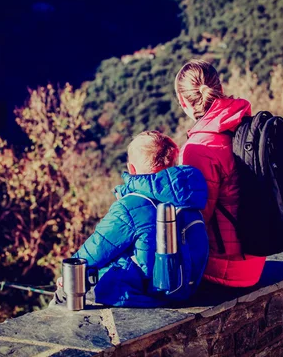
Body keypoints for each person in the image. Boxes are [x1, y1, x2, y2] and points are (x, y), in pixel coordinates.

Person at [53, 131, 208, 307]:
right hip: (183, 288)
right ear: (173, 162)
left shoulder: (130, 206)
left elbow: (98, 246)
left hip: (141, 293)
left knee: (62, 296)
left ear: (131, 169)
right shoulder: (188, 197)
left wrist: (68, 275)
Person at [174, 59, 265, 287]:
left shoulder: (199, 149)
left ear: (182, 101)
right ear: (220, 89)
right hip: (257, 258)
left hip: (224, 269)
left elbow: (195, 219)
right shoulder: (246, 125)